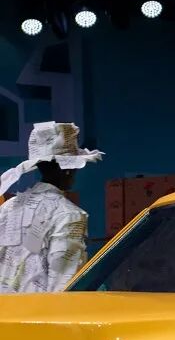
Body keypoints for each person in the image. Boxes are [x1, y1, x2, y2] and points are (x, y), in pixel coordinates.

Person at [0, 121, 103, 293]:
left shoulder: (8, 207)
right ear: (67, 170)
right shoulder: (69, 215)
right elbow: (65, 285)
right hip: (39, 309)